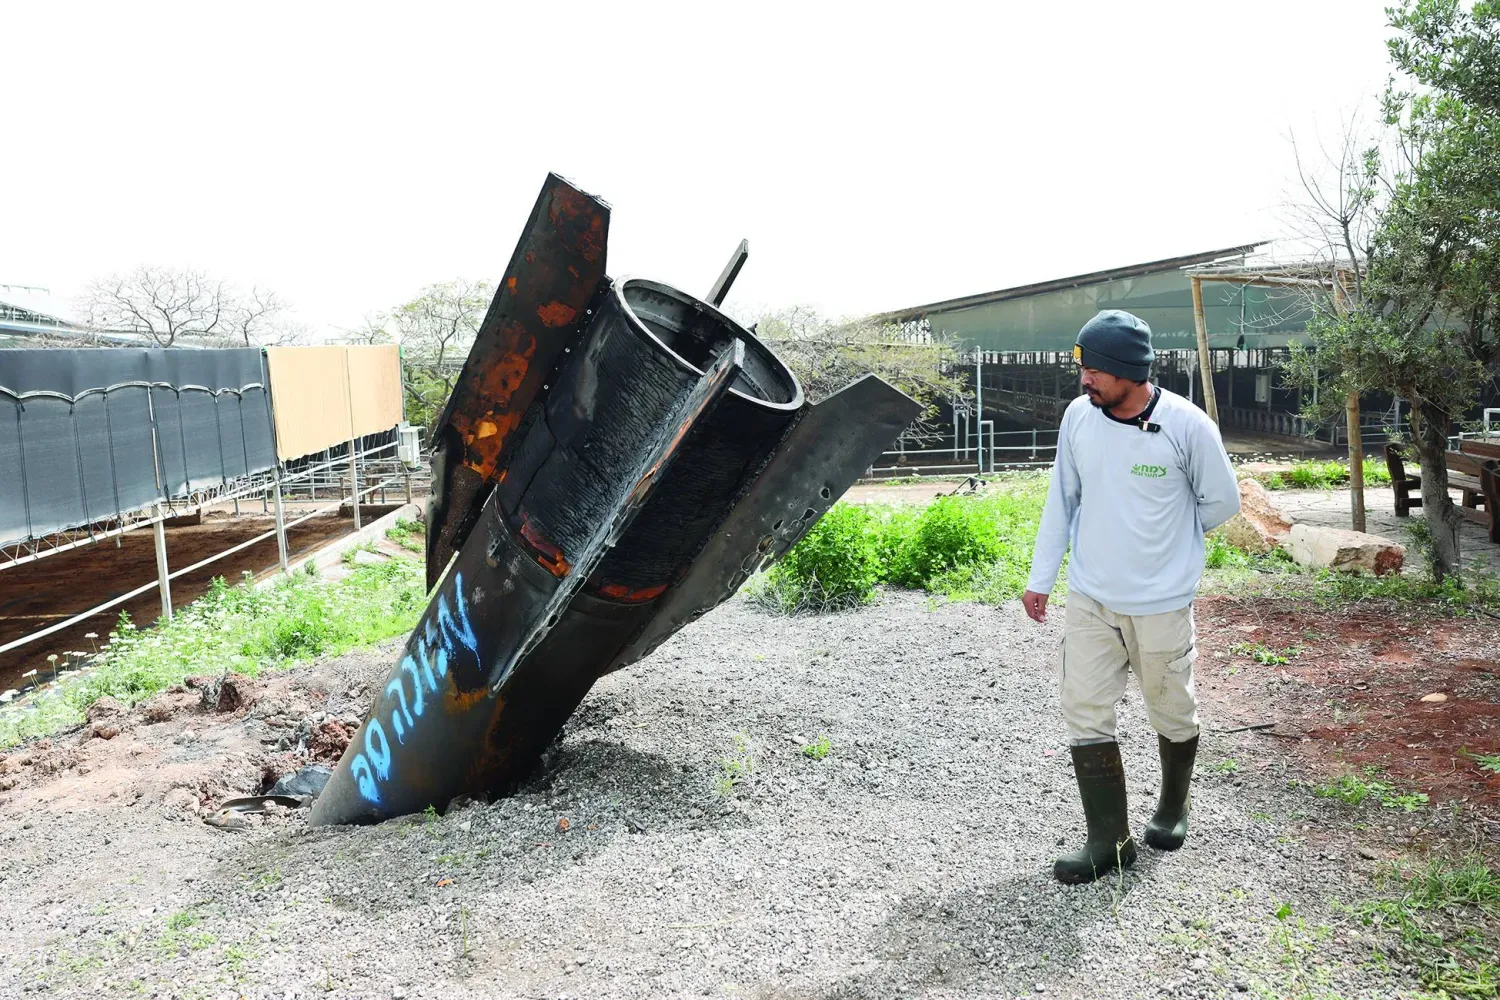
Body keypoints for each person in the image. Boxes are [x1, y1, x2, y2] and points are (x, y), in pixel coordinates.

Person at [1022, 309, 1240, 885]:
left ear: (1128, 371)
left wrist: (1170, 547)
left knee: (1170, 706)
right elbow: (1061, 498)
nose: (1084, 380)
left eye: (1095, 370)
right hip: (1091, 595)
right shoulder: (1079, 418)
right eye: (1082, 368)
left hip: (1161, 603)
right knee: (1084, 708)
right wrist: (1042, 576)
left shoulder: (1187, 426)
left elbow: (1221, 503)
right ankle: (1109, 841)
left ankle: (1172, 806)